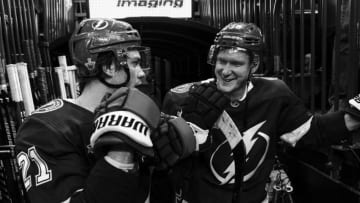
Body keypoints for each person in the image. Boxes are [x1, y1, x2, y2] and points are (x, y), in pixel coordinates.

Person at [159, 22, 360, 203]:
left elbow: (312, 132)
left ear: (254, 65)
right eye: (221, 61)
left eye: (236, 64)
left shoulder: (275, 95)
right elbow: (163, 162)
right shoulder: (184, 98)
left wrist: (355, 113)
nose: (225, 71)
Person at [15, 18, 158, 203]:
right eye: (134, 63)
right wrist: (121, 150)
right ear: (109, 67)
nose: (141, 73)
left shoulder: (137, 117)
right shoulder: (45, 128)